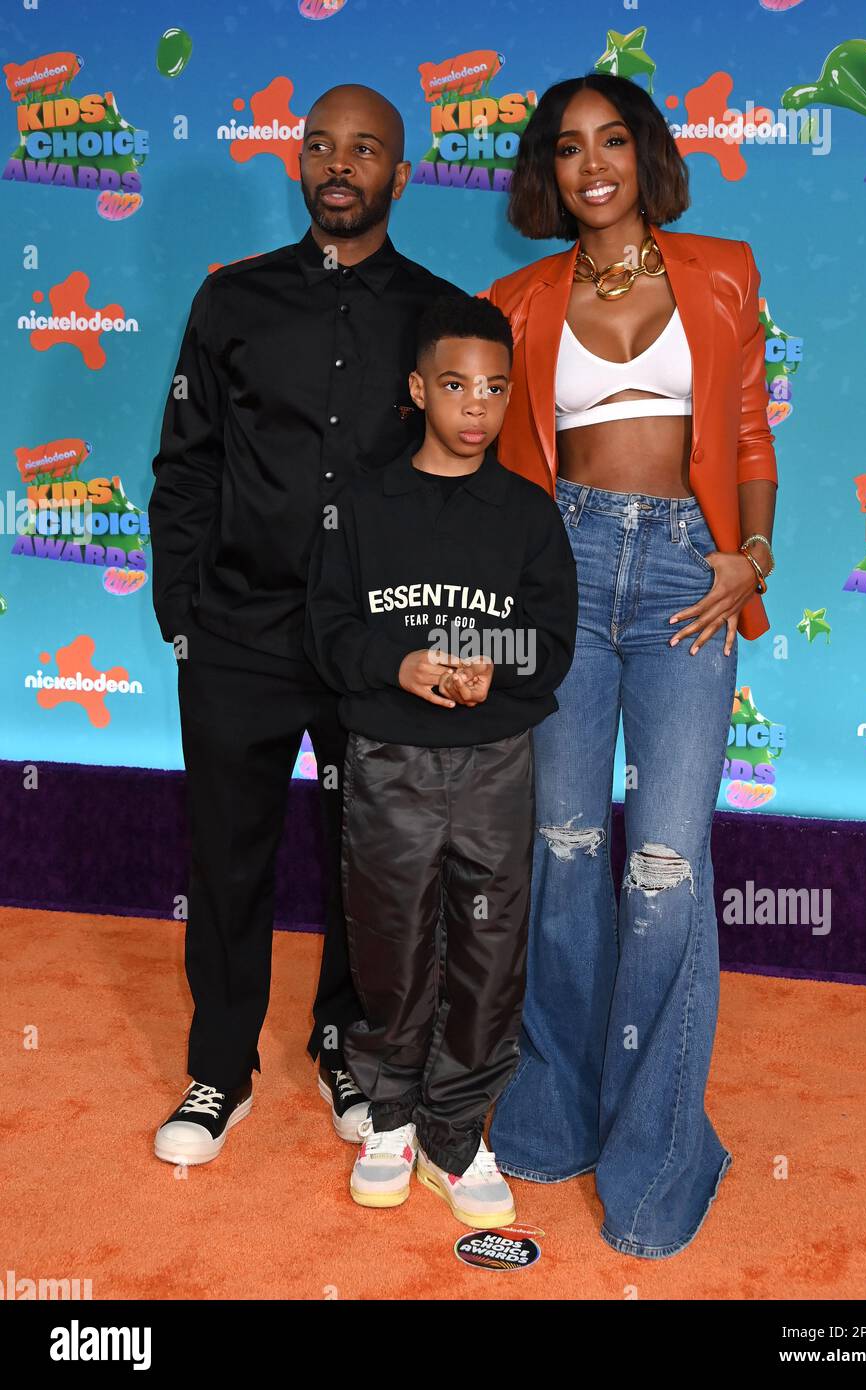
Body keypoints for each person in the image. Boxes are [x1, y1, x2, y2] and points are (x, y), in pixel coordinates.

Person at [476, 74, 779, 1257]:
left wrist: (750, 555)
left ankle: (659, 1154)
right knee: (562, 848)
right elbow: (500, 484)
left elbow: (749, 428)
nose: (590, 163)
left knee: (662, 861)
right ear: (546, 173)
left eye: (612, 141)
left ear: (643, 154)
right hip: (562, 568)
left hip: (683, 582)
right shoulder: (516, 299)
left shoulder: (720, 269)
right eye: (567, 148)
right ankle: (555, 1109)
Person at [149, 84, 461, 1166]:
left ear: (400, 173)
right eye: (322, 146)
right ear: (299, 164)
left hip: (372, 644)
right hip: (236, 630)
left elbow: (458, 486)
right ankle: (218, 1068)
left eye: (364, 149)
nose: (340, 164)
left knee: (363, 859)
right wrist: (180, 608)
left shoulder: (441, 315)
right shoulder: (230, 302)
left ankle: (345, 1048)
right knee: (226, 854)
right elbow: (185, 463)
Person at [303, 293, 578, 1227]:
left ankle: (456, 1131)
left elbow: (552, 640)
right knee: (391, 939)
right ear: (419, 389)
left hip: (496, 761)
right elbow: (329, 629)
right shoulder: (360, 507)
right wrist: (402, 663)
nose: (475, 407)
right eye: (455, 385)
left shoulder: (530, 516)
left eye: (496, 389)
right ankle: (389, 1113)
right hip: (389, 760)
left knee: (490, 948)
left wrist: (485, 668)